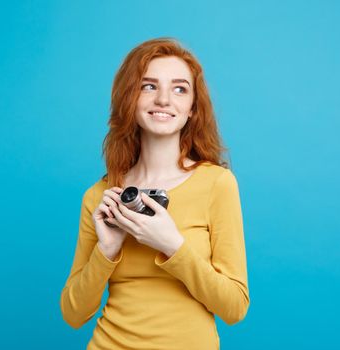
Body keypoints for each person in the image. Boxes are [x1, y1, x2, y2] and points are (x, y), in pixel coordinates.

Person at [60, 37, 250, 350]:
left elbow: (234, 308)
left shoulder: (217, 184)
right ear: (129, 100)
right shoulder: (100, 197)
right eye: (148, 86)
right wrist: (106, 251)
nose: (163, 99)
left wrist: (171, 245)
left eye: (179, 88)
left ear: (192, 109)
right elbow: (73, 313)